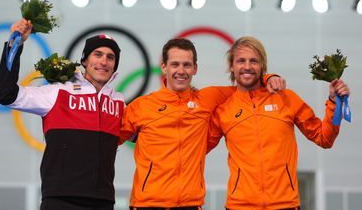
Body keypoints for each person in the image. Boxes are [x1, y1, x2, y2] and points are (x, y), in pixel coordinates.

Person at [119, 38, 286, 210]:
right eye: (175, 64)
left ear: (195, 68)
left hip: (190, 204)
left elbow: (248, 84)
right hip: (146, 204)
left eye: (187, 65)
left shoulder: (208, 99)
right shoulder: (141, 106)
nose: (181, 71)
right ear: (164, 67)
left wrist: (268, 78)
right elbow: (110, 139)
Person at [208, 36, 350, 210]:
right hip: (239, 205)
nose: (247, 66)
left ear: (262, 66)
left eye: (254, 61)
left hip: (285, 204)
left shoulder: (286, 98)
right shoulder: (224, 110)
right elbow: (197, 149)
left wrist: (334, 102)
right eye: (240, 61)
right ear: (232, 66)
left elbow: (324, 138)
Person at [0, 19, 124, 210]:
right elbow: (6, 94)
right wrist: (15, 45)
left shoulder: (119, 103)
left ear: (114, 66)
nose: (104, 61)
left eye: (110, 57)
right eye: (97, 54)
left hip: (103, 201)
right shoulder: (57, 92)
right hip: (61, 200)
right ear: (84, 61)